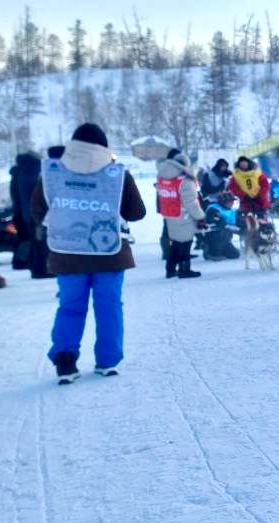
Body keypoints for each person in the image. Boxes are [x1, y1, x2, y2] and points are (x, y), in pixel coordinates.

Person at [31, 123, 147, 384]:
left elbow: (37, 210)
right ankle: (107, 361)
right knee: (109, 307)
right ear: (104, 145)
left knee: (70, 307)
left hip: (67, 252)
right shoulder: (116, 173)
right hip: (109, 254)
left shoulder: (52, 172)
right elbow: (137, 212)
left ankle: (65, 360)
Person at [157, 149, 206, 279]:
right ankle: (185, 269)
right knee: (185, 242)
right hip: (184, 215)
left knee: (176, 242)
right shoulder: (185, 181)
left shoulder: (163, 177)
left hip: (170, 214)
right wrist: (201, 216)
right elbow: (191, 202)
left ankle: (170, 269)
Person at [9, 153, 47, 275]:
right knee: (39, 242)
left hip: (23, 212)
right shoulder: (32, 173)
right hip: (34, 213)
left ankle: (30, 265)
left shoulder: (20, 173)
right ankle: (39, 270)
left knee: (32, 241)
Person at [228, 156, 270, 222]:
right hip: (245, 201)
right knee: (246, 221)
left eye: (244, 163)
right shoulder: (236, 175)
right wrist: (243, 195)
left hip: (260, 201)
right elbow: (232, 187)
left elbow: (265, 185)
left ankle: (264, 229)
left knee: (262, 220)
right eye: (241, 164)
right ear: (238, 165)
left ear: (248, 163)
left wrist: (260, 194)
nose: (243, 165)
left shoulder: (257, 173)